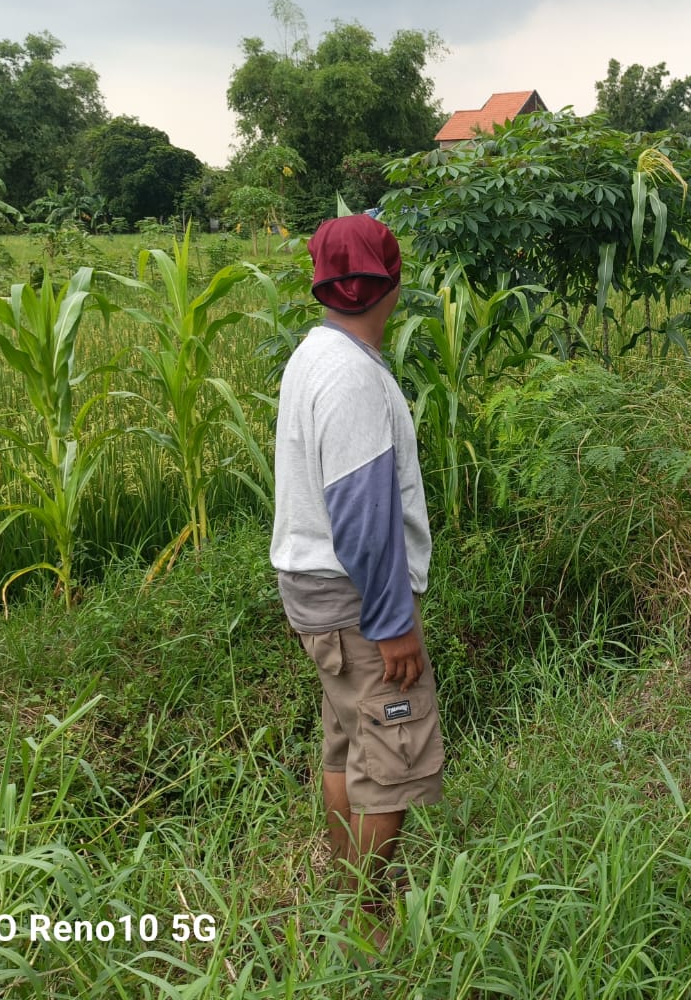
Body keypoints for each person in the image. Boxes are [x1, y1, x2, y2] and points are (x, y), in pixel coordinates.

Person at [272, 213, 443, 921]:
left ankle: (344, 892)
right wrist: (394, 622)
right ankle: (366, 923)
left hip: (318, 596)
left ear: (318, 285)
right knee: (394, 759)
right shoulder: (352, 378)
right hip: (357, 603)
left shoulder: (314, 354)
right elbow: (362, 517)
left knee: (346, 743)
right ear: (394, 281)